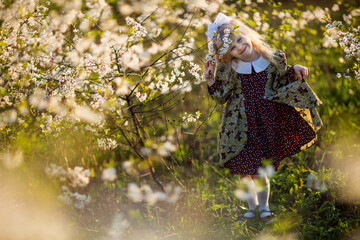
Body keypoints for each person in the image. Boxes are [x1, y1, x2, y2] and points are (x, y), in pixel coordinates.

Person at [204, 13, 323, 224]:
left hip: (267, 122)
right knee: (243, 169)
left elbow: (282, 79)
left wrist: (294, 69)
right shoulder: (230, 70)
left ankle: (265, 209)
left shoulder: (272, 58)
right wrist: (211, 78)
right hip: (241, 125)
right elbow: (221, 97)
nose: (240, 47)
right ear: (228, 54)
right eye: (233, 48)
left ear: (247, 35)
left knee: (259, 170)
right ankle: (251, 209)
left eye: (240, 40)